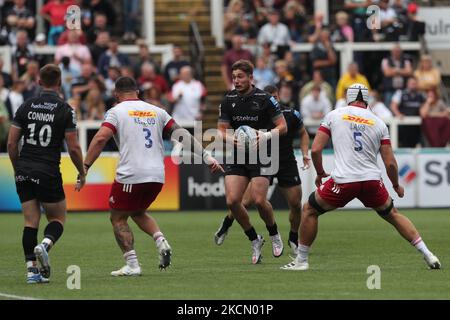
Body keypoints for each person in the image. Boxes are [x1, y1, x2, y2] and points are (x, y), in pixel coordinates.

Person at [281, 83, 441, 271]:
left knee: (309, 210)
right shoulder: (378, 122)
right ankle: (428, 254)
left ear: (348, 98)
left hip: (344, 181)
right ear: (367, 100)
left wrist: (320, 173)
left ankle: (301, 261)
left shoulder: (334, 115)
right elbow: (390, 162)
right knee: (393, 215)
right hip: (372, 181)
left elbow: (316, 149)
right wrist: (396, 185)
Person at [83, 77, 222, 276]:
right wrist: (207, 156)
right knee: (137, 212)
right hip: (157, 175)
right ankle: (161, 241)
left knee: (118, 217)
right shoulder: (157, 111)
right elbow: (181, 135)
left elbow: (100, 138)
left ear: (116, 94)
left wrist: (86, 165)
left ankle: (132, 265)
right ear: (137, 91)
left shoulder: (116, 111)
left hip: (132, 174)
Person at [7, 64, 85, 283]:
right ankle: (45, 245)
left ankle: (32, 272)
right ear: (59, 83)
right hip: (48, 171)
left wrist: (17, 169)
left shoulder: (25, 106)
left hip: (24, 169)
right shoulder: (65, 109)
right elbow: (74, 147)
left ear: (39, 82)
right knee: (58, 218)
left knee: (30, 221)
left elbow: (12, 143)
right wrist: (82, 171)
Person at [214, 85, 310, 255]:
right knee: (245, 202)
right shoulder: (257, 115)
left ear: (277, 98)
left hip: (286, 162)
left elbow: (303, 133)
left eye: (274, 97)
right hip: (263, 159)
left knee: (295, 204)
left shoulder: (291, 114)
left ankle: (293, 238)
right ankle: (226, 225)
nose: (271, 102)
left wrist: (305, 154)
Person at [217, 59, 287, 264]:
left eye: (240, 77)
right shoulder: (228, 99)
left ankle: (274, 234)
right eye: (234, 77)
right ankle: (254, 239)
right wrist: (232, 139)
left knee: (258, 200)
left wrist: (264, 136)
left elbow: (282, 126)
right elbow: (221, 130)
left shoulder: (265, 99)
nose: (236, 81)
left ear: (250, 77)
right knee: (232, 201)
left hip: (264, 151)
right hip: (239, 153)